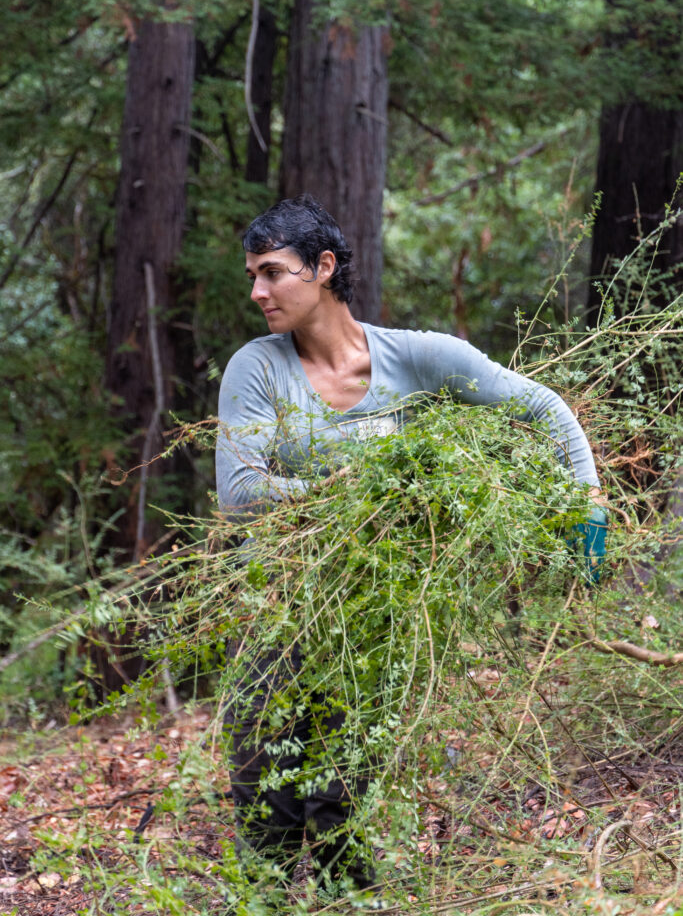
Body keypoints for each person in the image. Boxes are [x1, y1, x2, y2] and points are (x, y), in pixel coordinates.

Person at [216, 194, 606, 897]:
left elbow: (542, 407)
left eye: (272, 272)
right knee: (266, 799)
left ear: (323, 267)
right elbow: (241, 492)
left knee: (339, 800)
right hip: (273, 612)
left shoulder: (418, 358)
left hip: (375, 618)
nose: (257, 291)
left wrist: (587, 500)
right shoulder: (257, 368)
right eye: (253, 274)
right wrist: (362, 501)